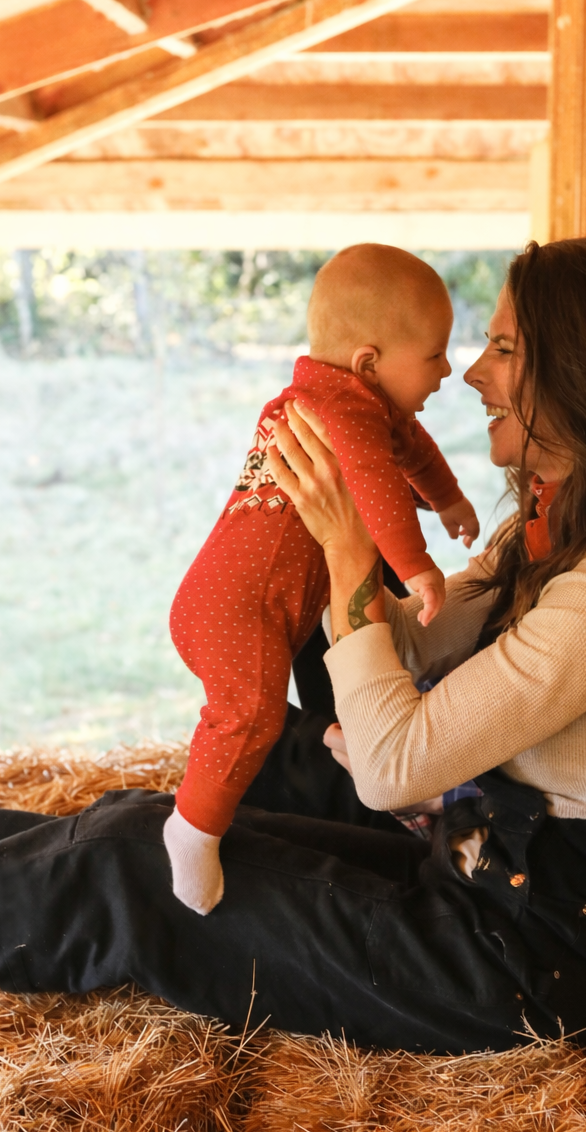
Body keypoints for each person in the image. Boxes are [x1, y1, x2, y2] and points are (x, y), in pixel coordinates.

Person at [0, 239, 586, 1057]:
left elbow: (393, 768)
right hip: (474, 863)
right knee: (192, 793)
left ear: (585, 373)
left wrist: (351, 556)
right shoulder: (558, 531)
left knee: (128, 866)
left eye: (502, 348)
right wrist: (296, 544)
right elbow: (416, 646)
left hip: (521, 966)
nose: (470, 375)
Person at [165, 244, 479, 915]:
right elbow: (375, 488)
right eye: (435, 355)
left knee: (268, 715)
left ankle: (306, 760)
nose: (448, 370)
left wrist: (448, 498)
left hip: (234, 602)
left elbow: (411, 450)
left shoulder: (353, 400)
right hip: (235, 609)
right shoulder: (337, 410)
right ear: (370, 362)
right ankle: (190, 831)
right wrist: (418, 564)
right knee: (245, 716)